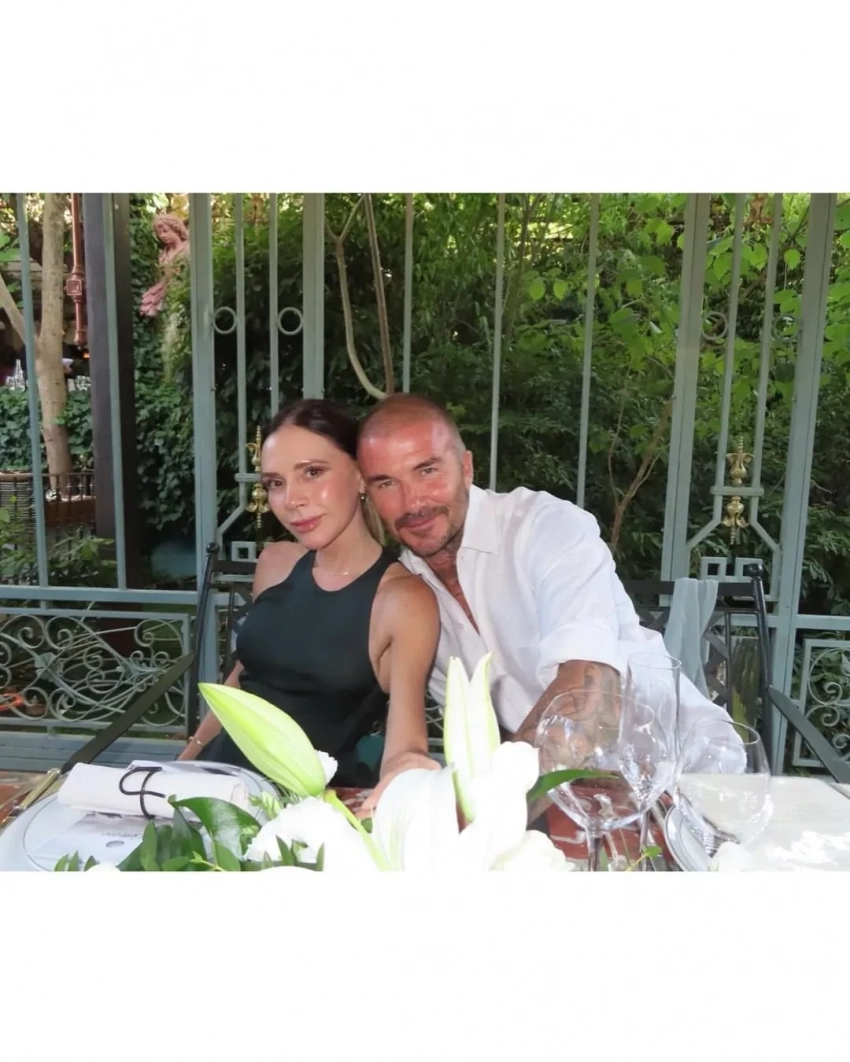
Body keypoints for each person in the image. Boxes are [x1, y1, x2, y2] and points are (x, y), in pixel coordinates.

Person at [357, 393, 735, 751]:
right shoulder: (406, 595)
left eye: (427, 470)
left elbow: (590, 689)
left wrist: (504, 788)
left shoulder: (546, 527)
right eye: (386, 483)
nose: (413, 502)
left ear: (466, 468)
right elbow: (485, 733)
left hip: (690, 768)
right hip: (566, 784)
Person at [180, 398, 440, 806]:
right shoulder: (276, 563)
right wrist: (183, 762)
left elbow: (405, 742)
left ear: (361, 475)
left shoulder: (402, 599)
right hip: (210, 786)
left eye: (313, 473)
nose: (291, 500)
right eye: (275, 483)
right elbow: (243, 684)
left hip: (296, 812)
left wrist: (404, 778)